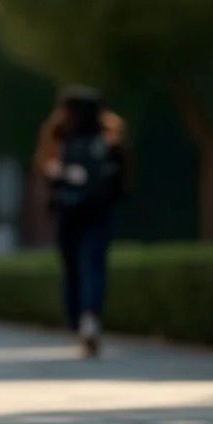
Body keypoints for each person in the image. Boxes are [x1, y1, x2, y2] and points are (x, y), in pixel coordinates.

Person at [34, 86, 133, 357]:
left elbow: (47, 171)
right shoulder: (109, 137)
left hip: (69, 213)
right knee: (95, 265)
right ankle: (91, 316)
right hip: (99, 212)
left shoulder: (60, 135)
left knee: (73, 268)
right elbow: (122, 181)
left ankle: (78, 321)